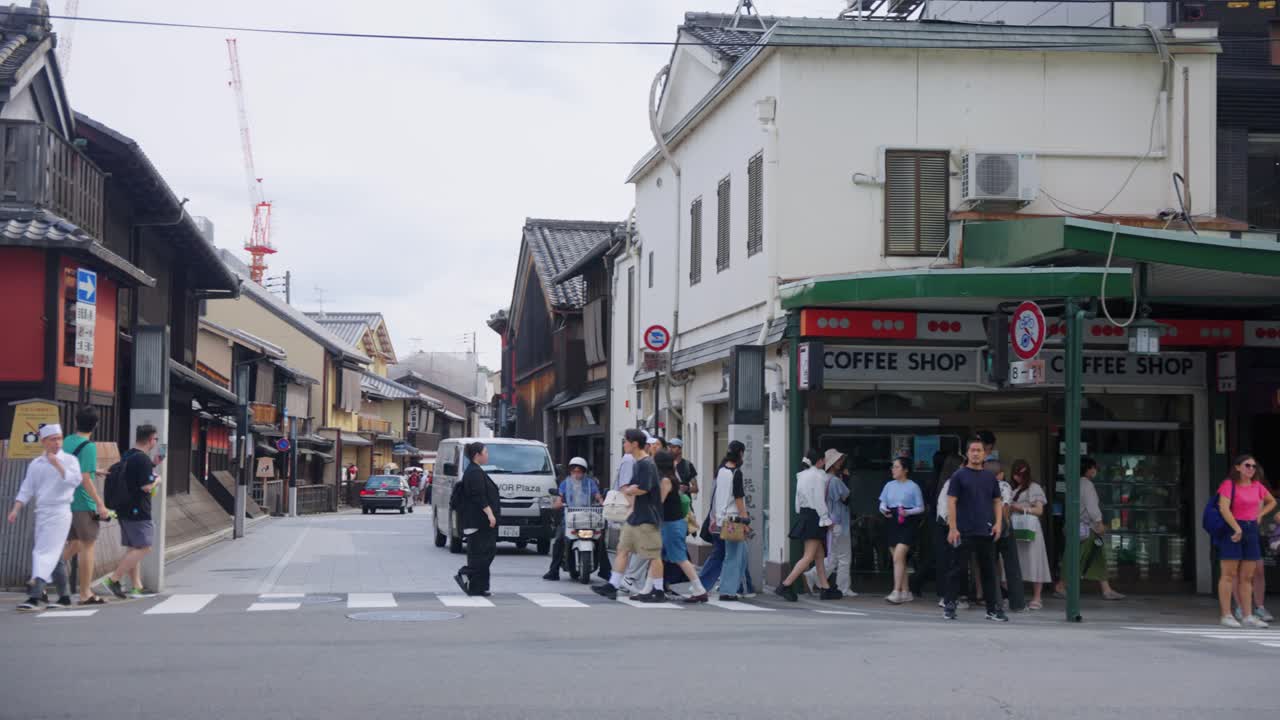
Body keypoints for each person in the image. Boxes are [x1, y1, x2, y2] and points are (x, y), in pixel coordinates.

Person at [8, 424, 83, 611]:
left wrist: (58, 465)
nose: (57, 443)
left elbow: (76, 480)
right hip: (42, 511)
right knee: (53, 554)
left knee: (43, 552)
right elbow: (27, 488)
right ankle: (64, 596)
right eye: (53, 439)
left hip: (60, 511)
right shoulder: (36, 463)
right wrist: (16, 509)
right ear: (43, 442)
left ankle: (35, 595)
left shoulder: (70, 460)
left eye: (59, 438)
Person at [594, 429, 666, 603]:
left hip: (647, 517)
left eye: (626, 441)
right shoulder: (637, 462)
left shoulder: (646, 464)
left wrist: (628, 489)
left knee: (653, 555)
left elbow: (644, 488)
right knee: (622, 549)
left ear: (634, 444)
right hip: (635, 516)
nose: (624, 444)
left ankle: (659, 590)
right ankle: (613, 585)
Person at [943, 436, 1007, 622]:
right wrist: (952, 528)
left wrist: (998, 523)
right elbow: (951, 501)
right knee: (957, 569)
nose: (976, 453)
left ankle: (992, 609)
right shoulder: (959, 475)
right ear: (967, 453)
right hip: (963, 530)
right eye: (973, 450)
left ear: (985, 454)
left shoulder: (989, 477)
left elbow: (997, 501)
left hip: (985, 530)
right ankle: (949, 605)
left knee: (988, 571)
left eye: (979, 450)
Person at [100, 424, 161, 600]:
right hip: (138, 510)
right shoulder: (142, 459)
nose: (155, 442)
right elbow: (146, 487)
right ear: (150, 439)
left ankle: (136, 587)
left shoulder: (127, 455)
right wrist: (157, 480)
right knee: (144, 547)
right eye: (155, 439)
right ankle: (113, 579)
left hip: (123, 508)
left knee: (134, 547)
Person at [1215, 454, 1276, 627]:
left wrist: (1260, 514)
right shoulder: (1229, 485)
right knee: (1228, 574)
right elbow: (1224, 508)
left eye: (1253, 466)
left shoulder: (1258, 486)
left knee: (1247, 575)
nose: (1251, 469)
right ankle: (1226, 614)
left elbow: (1271, 502)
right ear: (1238, 467)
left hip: (1250, 529)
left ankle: (1248, 615)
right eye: (1247, 465)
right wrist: (1236, 527)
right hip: (1232, 528)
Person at [1053, 457, 1126, 602]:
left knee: (1098, 558)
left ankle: (1107, 589)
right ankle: (1061, 586)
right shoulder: (1087, 485)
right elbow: (1092, 508)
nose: (1096, 470)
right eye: (1094, 468)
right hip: (1085, 529)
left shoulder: (1074, 484)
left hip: (1078, 527)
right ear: (1089, 469)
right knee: (1077, 558)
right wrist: (1099, 523)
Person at [60, 408, 111, 606]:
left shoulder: (66, 442)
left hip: (66, 501)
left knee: (74, 543)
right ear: (96, 425)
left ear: (75, 421)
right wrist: (100, 504)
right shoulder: (88, 446)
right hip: (83, 503)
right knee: (87, 546)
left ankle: (41, 576)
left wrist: (93, 469)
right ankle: (85, 594)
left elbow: (71, 469)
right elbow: (84, 479)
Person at [776, 449, 840, 601]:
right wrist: (826, 519)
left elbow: (798, 500)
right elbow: (819, 500)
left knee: (819, 555)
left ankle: (825, 588)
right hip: (815, 516)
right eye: (823, 460)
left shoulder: (802, 475)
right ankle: (785, 585)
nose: (824, 463)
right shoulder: (818, 476)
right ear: (819, 461)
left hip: (806, 515)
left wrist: (801, 513)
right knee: (809, 556)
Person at [697, 441, 756, 597]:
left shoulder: (721, 471)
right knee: (734, 556)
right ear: (740, 454)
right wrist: (745, 519)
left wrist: (715, 518)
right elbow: (738, 497)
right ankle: (728, 591)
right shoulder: (736, 473)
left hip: (719, 520)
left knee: (727, 554)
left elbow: (716, 497)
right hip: (733, 520)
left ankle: (735, 587)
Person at [654, 450, 709, 602]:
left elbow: (659, 502)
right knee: (657, 557)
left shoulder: (666, 480)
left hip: (672, 525)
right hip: (671, 524)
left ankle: (699, 589)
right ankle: (652, 588)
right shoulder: (670, 478)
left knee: (679, 557)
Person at [543, 457, 603, 582]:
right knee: (559, 540)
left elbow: (598, 496)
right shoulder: (565, 483)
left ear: (584, 472)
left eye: (579, 471)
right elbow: (560, 499)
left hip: (588, 518)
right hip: (570, 519)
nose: (576, 474)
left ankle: (606, 571)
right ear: (570, 471)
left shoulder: (590, 483)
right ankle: (553, 571)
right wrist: (554, 505)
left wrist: (604, 504)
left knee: (600, 541)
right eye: (574, 471)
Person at [454, 442, 500, 597]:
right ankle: (466, 574)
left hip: (479, 521)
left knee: (483, 553)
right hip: (478, 521)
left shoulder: (475, 470)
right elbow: (478, 496)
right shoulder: (474, 472)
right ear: (477, 455)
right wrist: (490, 514)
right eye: (485, 452)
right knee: (483, 553)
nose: (488, 455)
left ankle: (478, 587)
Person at [880, 456, 925, 604]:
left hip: (907, 521)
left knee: (898, 556)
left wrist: (908, 512)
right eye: (893, 467)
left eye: (897, 467)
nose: (893, 469)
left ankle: (896, 591)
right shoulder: (889, 485)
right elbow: (882, 503)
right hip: (892, 520)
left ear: (905, 470)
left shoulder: (913, 486)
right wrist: (884, 509)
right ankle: (906, 592)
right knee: (899, 559)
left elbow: (921, 507)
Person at [1008, 459, 1052, 610]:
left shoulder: (1034, 487)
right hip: (1017, 527)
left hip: (1031, 528)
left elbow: (1039, 510)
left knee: (1035, 560)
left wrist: (1021, 508)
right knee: (1017, 562)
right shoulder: (1014, 489)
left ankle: (1037, 597)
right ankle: (1018, 595)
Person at [986, 459, 1025, 612]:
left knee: (991, 566)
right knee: (1012, 564)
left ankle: (996, 602)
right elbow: (1006, 506)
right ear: (1001, 474)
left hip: (987, 527)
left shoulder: (981, 485)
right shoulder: (1004, 485)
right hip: (1003, 527)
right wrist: (1006, 523)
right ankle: (1017, 603)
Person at [824, 449, 856, 597]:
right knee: (844, 557)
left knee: (833, 557)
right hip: (840, 522)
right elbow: (847, 498)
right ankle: (843, 587)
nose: (840, 462)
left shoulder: (824, 478)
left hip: (830, 521)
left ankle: (812, 577)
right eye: (838, 461)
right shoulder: (836, 481)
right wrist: (847, 480)